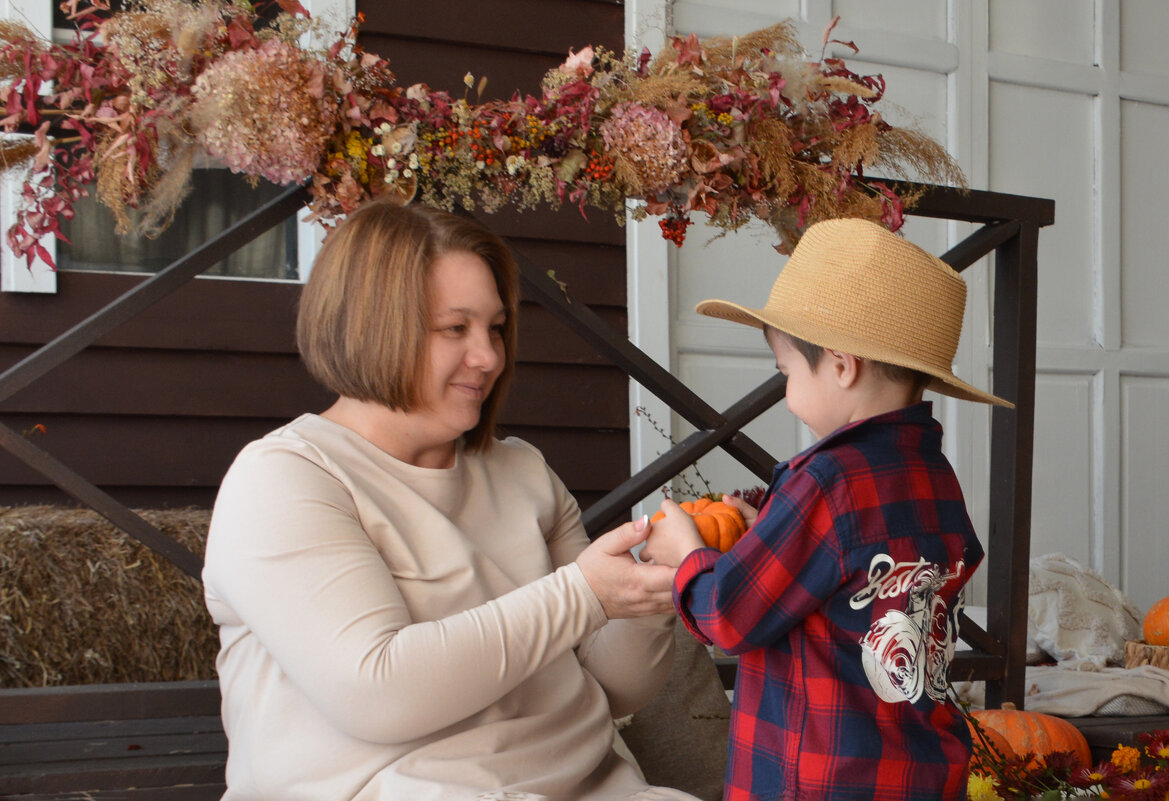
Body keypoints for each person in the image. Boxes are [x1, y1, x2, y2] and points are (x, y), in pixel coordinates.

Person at [202, 198, 697, 801]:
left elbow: (617, 687)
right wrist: (580, 593)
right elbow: (376, 692)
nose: (488, 356)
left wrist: (651, 592)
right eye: (455, 329)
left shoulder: (522, 471)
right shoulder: (286, 479)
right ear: (370, 326)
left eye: (494, 328)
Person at [640, 217, 1012, 801]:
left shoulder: (826, 481)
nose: (786, 391)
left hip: (817, 780)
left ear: (841, 366)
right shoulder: (934, 476)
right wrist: (767, 508)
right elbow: (853, 555)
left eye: (786, 371)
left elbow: (730, 616)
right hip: (921, 773)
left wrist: (687, 554)